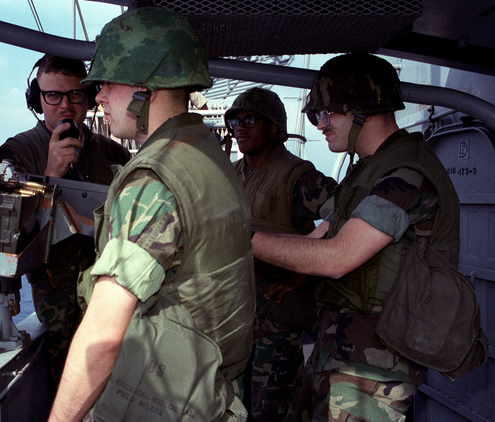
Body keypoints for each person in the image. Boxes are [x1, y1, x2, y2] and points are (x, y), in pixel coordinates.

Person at [49, 7, 255, 421]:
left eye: (108, 83)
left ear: (145, 89)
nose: (99, 97)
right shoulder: (205, 153)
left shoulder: (154, 179)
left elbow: (103, 336)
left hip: (167, 401)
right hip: (207, 391)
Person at [252, 53, 460, 421]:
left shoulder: (406, 173)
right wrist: (297, 272)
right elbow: (324, 233)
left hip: (375, 367)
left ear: (361, 110)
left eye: (327, 113)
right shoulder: (367, 170)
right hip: (343, 347)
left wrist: (245, 240)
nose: (320, 124)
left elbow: (337, 257)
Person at [0, 55, 130, 387]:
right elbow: (7, 236)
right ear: (36, 99)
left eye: (75, 95)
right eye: (52, 95)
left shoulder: (114, 155)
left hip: (112, 292)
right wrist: (50, 176)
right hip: (56, 299)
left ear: (89, 96)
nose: (65, 105)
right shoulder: (18, 152)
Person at [225, 87, 336, 421]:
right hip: (235, 317)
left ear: (274, 129)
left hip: (277, 323)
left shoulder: (298, 175)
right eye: (234, 122)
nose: (239, 128)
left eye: (249, 120)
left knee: (269, 412)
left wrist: (306, 270)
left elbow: (347, 212)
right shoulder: (230, 174)